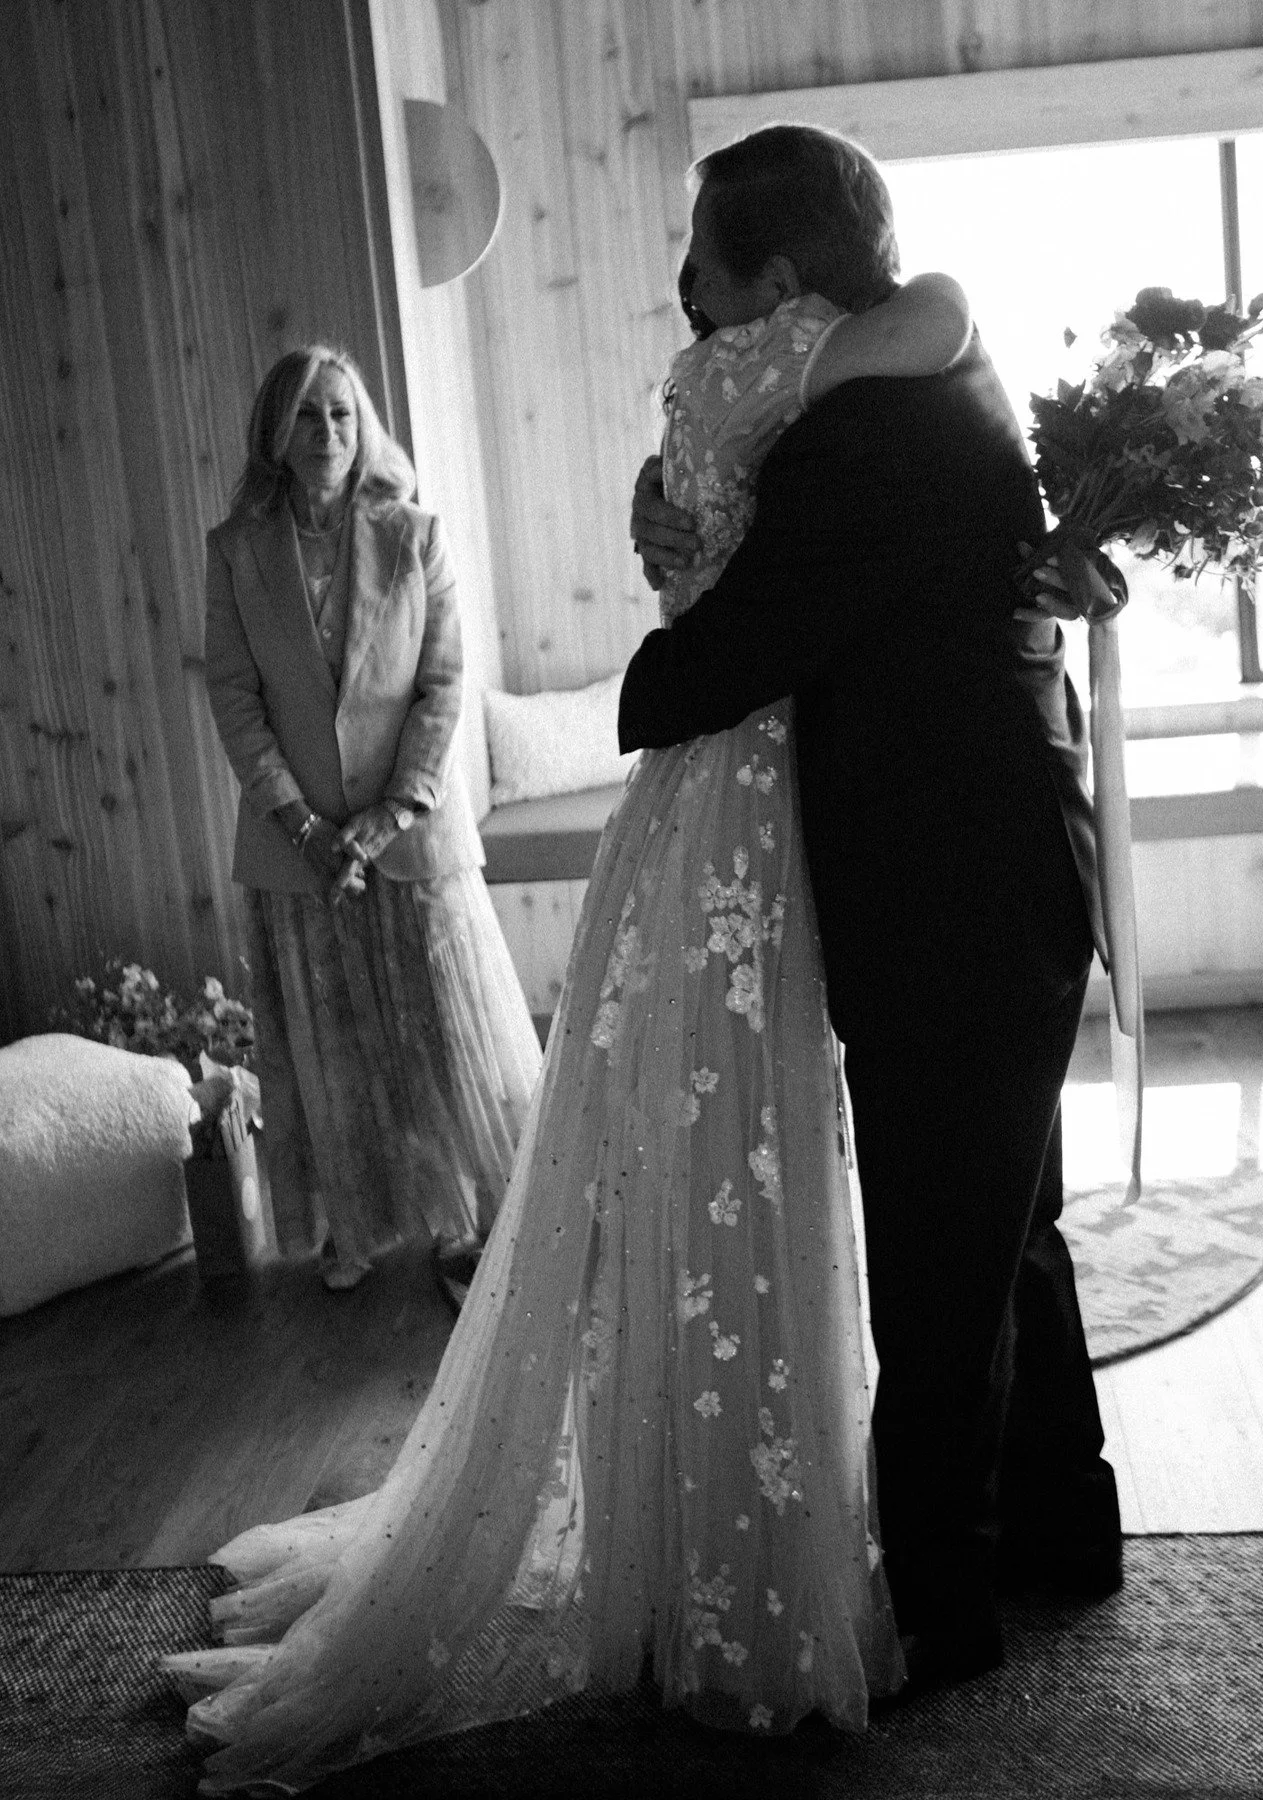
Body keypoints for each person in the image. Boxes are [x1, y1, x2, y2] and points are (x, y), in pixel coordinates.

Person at [161, 226, 972, 1789]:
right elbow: (939, 309)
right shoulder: (769, 364)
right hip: (724, 787)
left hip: (655, 797)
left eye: (695, 252)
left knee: (692, 1138)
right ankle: (719, 1545)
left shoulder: (685, 417)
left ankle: (707, 1528)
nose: (682, 280)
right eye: (302, 419)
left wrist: (400, 804)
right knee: (720, 1141)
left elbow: (465, 676)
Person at [623, 124, 1123, 1691]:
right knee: (1009, 1236)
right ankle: (1064, 1531)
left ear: (777, 279)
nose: (684, 291)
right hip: (1011, 882)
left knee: (936, 1264)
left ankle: (947, 1613)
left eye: (703, 260)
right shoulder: (936, 379)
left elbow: (719, 660)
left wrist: (654, 652)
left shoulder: (860, 442)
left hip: (950, 909)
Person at [204, 345, 541, 1292]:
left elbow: (442, 686)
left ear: (366, 430)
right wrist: (304, 825)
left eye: (343, 416)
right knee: (328, 1043)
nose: (327, 436)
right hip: (291, 842)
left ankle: (464, 1223)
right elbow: (235, 699)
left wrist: (393, 814)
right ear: (277, 431)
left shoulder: (414, 534)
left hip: (413, 834)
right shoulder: (233, 552)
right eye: (308, 417)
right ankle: (353, 1226)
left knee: (435, 1031)